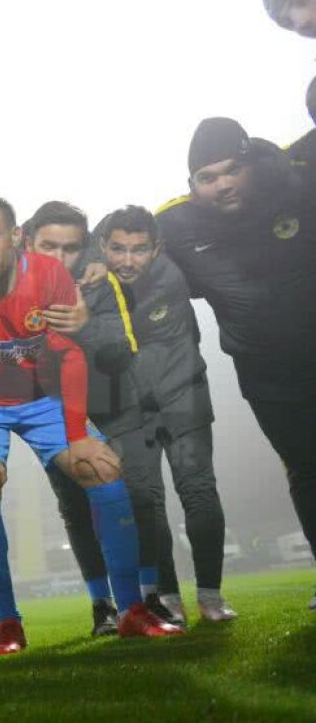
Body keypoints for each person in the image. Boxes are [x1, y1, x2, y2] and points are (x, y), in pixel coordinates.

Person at [0, 193, 181, 655]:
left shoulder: (47, 275)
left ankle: (130, 610)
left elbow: (68, 355)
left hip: (43, 398)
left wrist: (76, 436)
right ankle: (7, 622)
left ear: (15, 237)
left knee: (105, 471)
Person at [157, 118, 316, 611]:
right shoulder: (177, 226)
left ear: (251, 164)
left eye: (232, 170)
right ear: (192, 186)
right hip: (268, 374)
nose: (223, 184)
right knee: (307, 470)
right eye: (208, 177)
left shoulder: (298, 177)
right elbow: (117, 251)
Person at [23, 201, 160, 637]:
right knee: (77, 510)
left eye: (71, 248)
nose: (60, 258)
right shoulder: (2, 280)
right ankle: (102, 605)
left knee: (138, 497)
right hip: (62, 414)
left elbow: (122, 349)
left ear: (83, 248)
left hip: (115, 404)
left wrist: (83, 324)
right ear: (26, 242)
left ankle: (149, 595)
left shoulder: (100, 282)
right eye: (49, 246)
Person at [97, 205, 236, 623]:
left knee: (197, 491)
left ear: (157, 248)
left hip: (183, 399)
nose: (127, 260)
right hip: (128, 411)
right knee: (144, 502)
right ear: (102, 247)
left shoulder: (170, 278)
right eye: (117, 248)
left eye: (139, 249)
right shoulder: (90, 283)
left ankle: (211, 597)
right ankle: (169, 599)